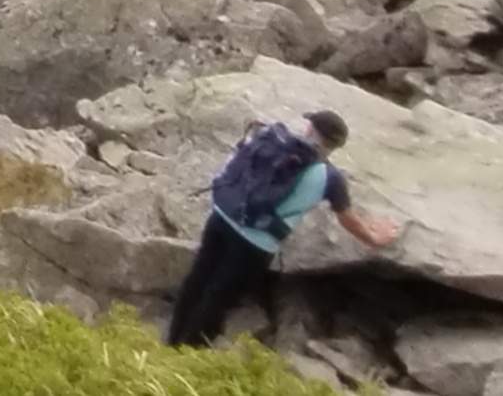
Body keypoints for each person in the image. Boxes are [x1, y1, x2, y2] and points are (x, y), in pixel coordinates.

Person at [168, 111, 402, 347]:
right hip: (255, 244)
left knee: (197, 280)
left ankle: (170, 343)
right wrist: (374, 237)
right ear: (335, 146)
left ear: (310, 129)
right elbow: (348, 219)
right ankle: (188, 352)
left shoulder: (276, 143)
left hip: (223, 217)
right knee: (219, 297)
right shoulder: (330, 178)